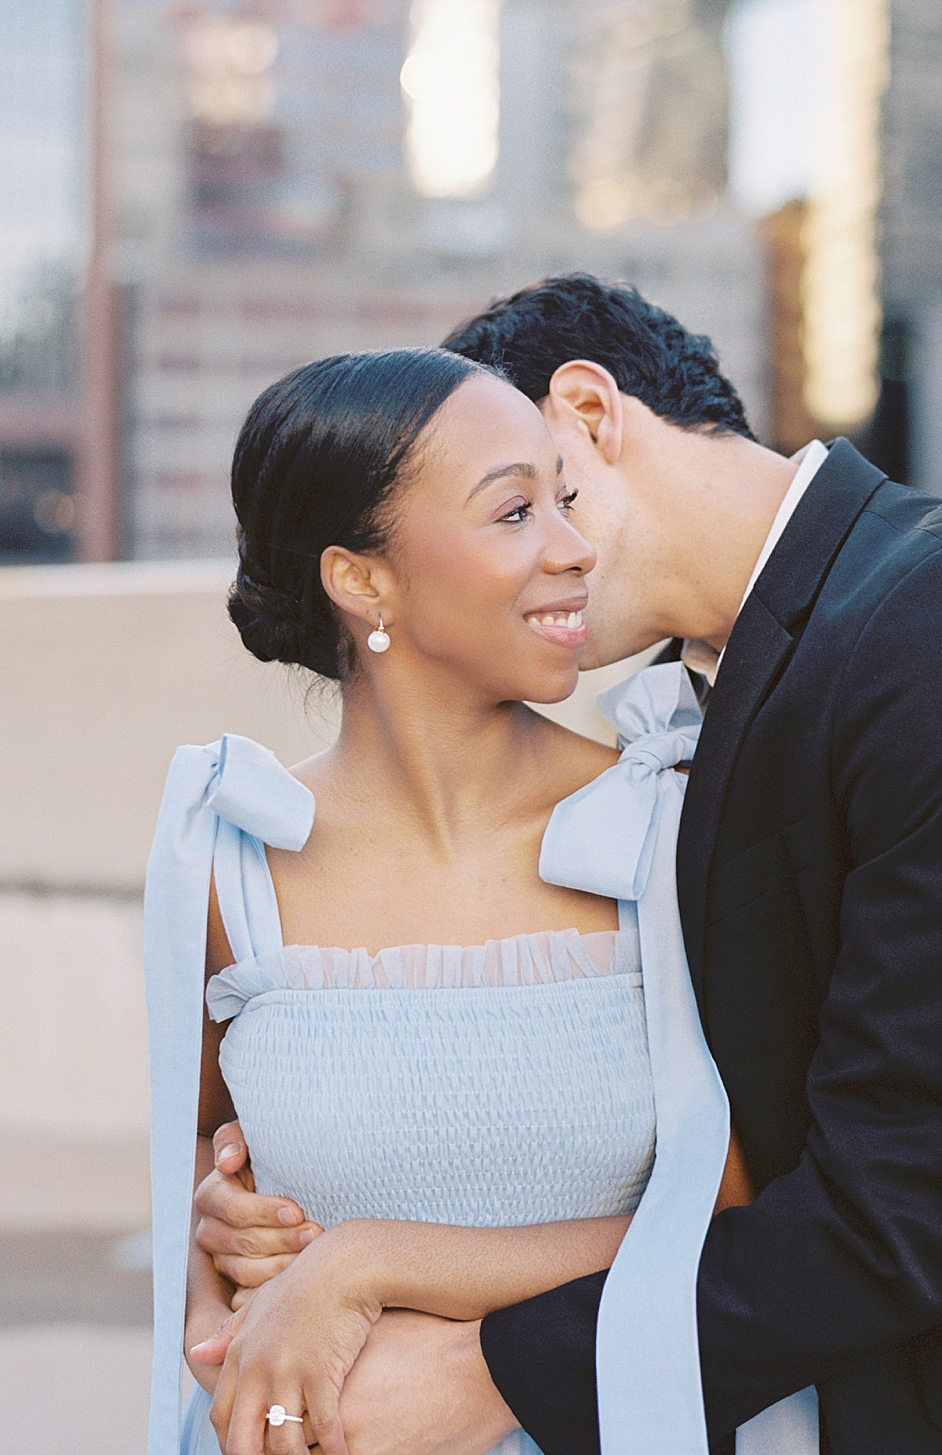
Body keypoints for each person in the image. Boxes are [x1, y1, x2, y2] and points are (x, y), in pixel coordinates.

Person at [197, 274, 942, 1455]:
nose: (546, 552)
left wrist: (488, 1365)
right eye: (509, 514)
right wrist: (272, 1205)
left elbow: (907, 1203)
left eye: (544, 493)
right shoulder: (705, 711)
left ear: (591, 415)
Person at [145, 345, 783, 1455]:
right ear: (364, 580)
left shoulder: (667, 830)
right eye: (515, 512)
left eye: (565, 497)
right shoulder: (230, 857)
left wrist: (371, 1257)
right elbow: (209, 1152)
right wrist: (218, 1256)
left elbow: (742, 1219)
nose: (577, 548)